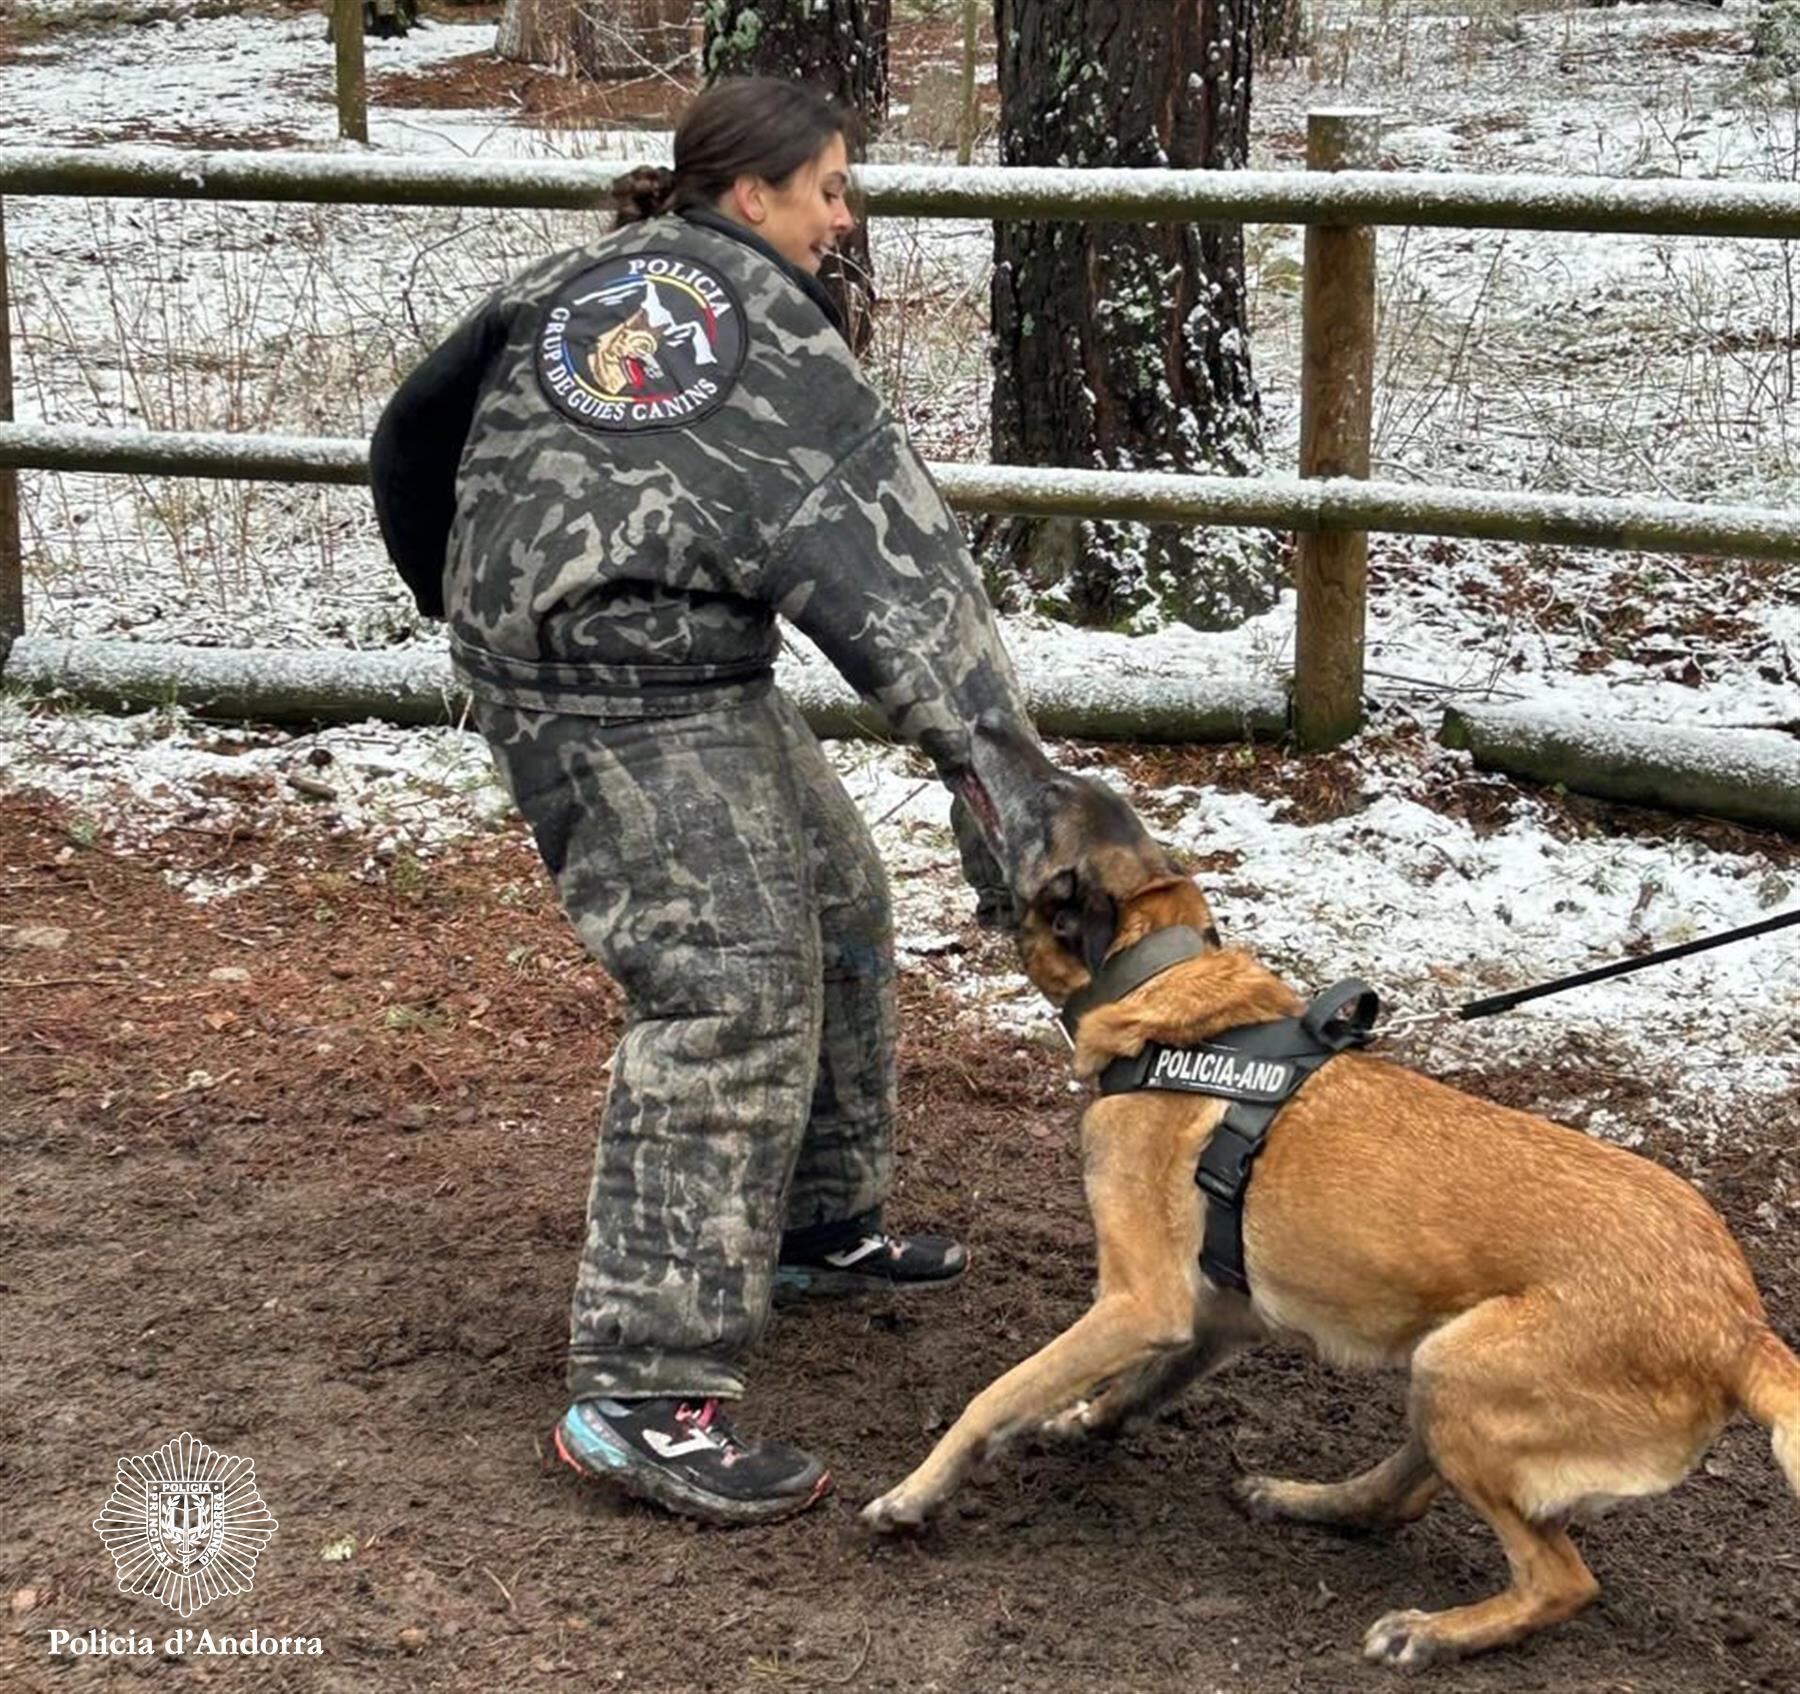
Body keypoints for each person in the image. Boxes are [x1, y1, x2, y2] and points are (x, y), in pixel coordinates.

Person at [368, 76, 1036, 1527]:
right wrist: (1007, 800)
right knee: (724, 986)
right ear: (755, 197)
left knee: (838, 892)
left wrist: (468, 601)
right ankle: (644, 1390)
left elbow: (409, 434)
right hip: (626, 694)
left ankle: (814, 1217)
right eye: (832, 190)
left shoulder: (573, 275)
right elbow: (902, 587)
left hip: (646, 662)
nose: (845, 218)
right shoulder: (776, 345)